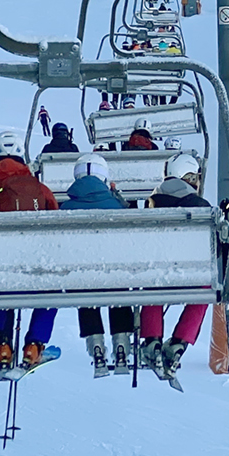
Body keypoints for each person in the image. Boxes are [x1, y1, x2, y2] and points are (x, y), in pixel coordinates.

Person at [0, 131, 62, 368]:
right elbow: (57, 227)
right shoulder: (41, 190)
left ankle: (2, 344)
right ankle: (35, 344)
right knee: (52, 291)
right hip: (36, 265)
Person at [138, 154, 211, 387]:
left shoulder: (151, 203)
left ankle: (152, 340)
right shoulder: (201, 207)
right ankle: (180, 342)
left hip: (159, 276)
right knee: (205, 288)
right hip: (192, 278)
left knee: (154, 280)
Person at [62, 157, 133, 374]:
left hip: (83, 276)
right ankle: (121, 341)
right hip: (115, 275)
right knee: (118, 280)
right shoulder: (117, 207)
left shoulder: (66, 208)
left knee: (84, 284)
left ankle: (96, 344)